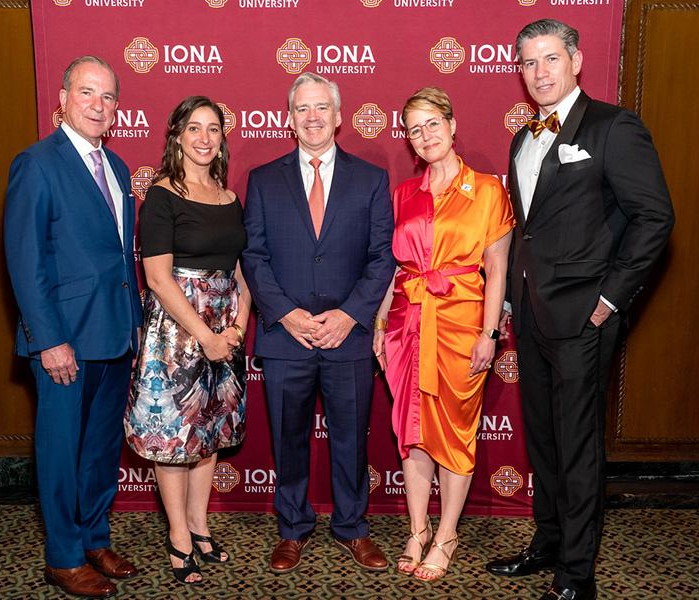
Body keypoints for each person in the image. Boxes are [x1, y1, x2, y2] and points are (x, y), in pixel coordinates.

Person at [484, 20, 675, 600]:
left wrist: (610, 298)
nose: (538, 72)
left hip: (586, 316)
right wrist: (514, 297)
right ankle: (547, 543)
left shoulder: (614, 127)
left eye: (549, 59)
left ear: (576, 61)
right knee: (543, 437)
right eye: (527, 63)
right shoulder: (523, 138)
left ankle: (577, 576)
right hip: (536, 314)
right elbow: (531, 230)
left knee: (579, 443)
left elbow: (655, 218)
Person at [241, 72, 395, 574]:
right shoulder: (263, 179)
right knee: (288, 436)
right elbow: (254, 255)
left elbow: (381, 258)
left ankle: (352, 527)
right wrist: (286, 313)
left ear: (338, 116)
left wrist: (350, 314)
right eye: (302, 109)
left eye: (321, 108)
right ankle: (292, 528)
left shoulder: (371, 179)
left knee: (351, 436)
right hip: (285, 336)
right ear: (289, 118)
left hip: (347, 336)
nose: (312, 117)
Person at [4, 56, 143, 598]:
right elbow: (25, 259)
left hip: (115, 333)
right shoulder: (36, 163)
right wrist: (50, 339)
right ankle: (62, 556)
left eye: (108, 97)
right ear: (61, 98)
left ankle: (93, 538)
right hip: (64, 339)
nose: (98, 105)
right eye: (87, 93)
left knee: (101, 448)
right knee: (62, 447)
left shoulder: (119, 167)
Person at [372, 87, 514, 582]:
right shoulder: (402, 193)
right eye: (414, 128)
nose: (425, 135)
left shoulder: (488, 192)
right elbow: (396, 267)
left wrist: (490, 333)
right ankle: (416, 529)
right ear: (408, 140)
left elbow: (496, 269)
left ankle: (447, 533)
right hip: (405, 326)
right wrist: (380, 320)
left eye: (433, 123)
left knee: (453, 433)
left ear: (453, 125)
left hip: (460, 326)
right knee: (412, 435)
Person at [124, 96, 250, 586]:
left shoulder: (228, 196)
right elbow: (157, 277)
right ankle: (178, 535)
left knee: (209, 433)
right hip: (177, 331)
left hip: (224, 327)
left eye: (213, 129)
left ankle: (199, 525)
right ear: (177, 135)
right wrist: (205, 336)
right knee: (174, 439)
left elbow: (241, 271)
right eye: (194, 128)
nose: (204, 138)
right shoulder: (162, 195)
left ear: (222, 137)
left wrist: (236, 328)